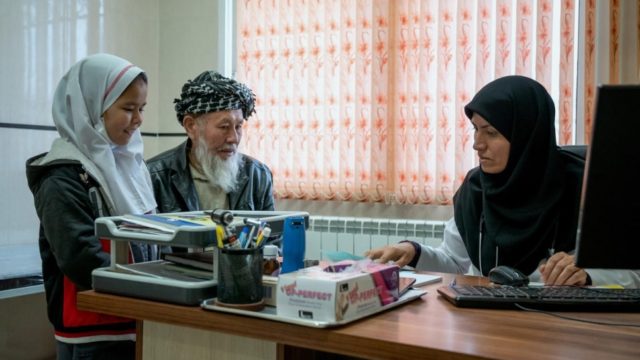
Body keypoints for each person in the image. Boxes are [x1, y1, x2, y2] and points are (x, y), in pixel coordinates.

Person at [366, 75, 640, 288]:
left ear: (526, 136)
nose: (477, 144)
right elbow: (456, 263)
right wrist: (412, 252)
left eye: (491, 132)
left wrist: (588, 273)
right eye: (475, 130)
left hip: (561, 332)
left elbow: (632, 273)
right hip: (490, 325)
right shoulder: (476, 189)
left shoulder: (584, 188)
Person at [26, 53, 157, 359]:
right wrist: (151, 286)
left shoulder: (129, 166)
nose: (138, 120)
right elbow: (79, 256)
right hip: (90, 331)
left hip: (133, 319)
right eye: (128, 109)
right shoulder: (62, 177)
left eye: (141, 109)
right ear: (92, 109)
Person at [146, 70, 274, 214]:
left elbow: (273, 235)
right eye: (224, 127)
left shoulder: (257, 175)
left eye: (238, 126)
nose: (234, 138)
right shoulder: (154, 177)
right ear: (191, 126)